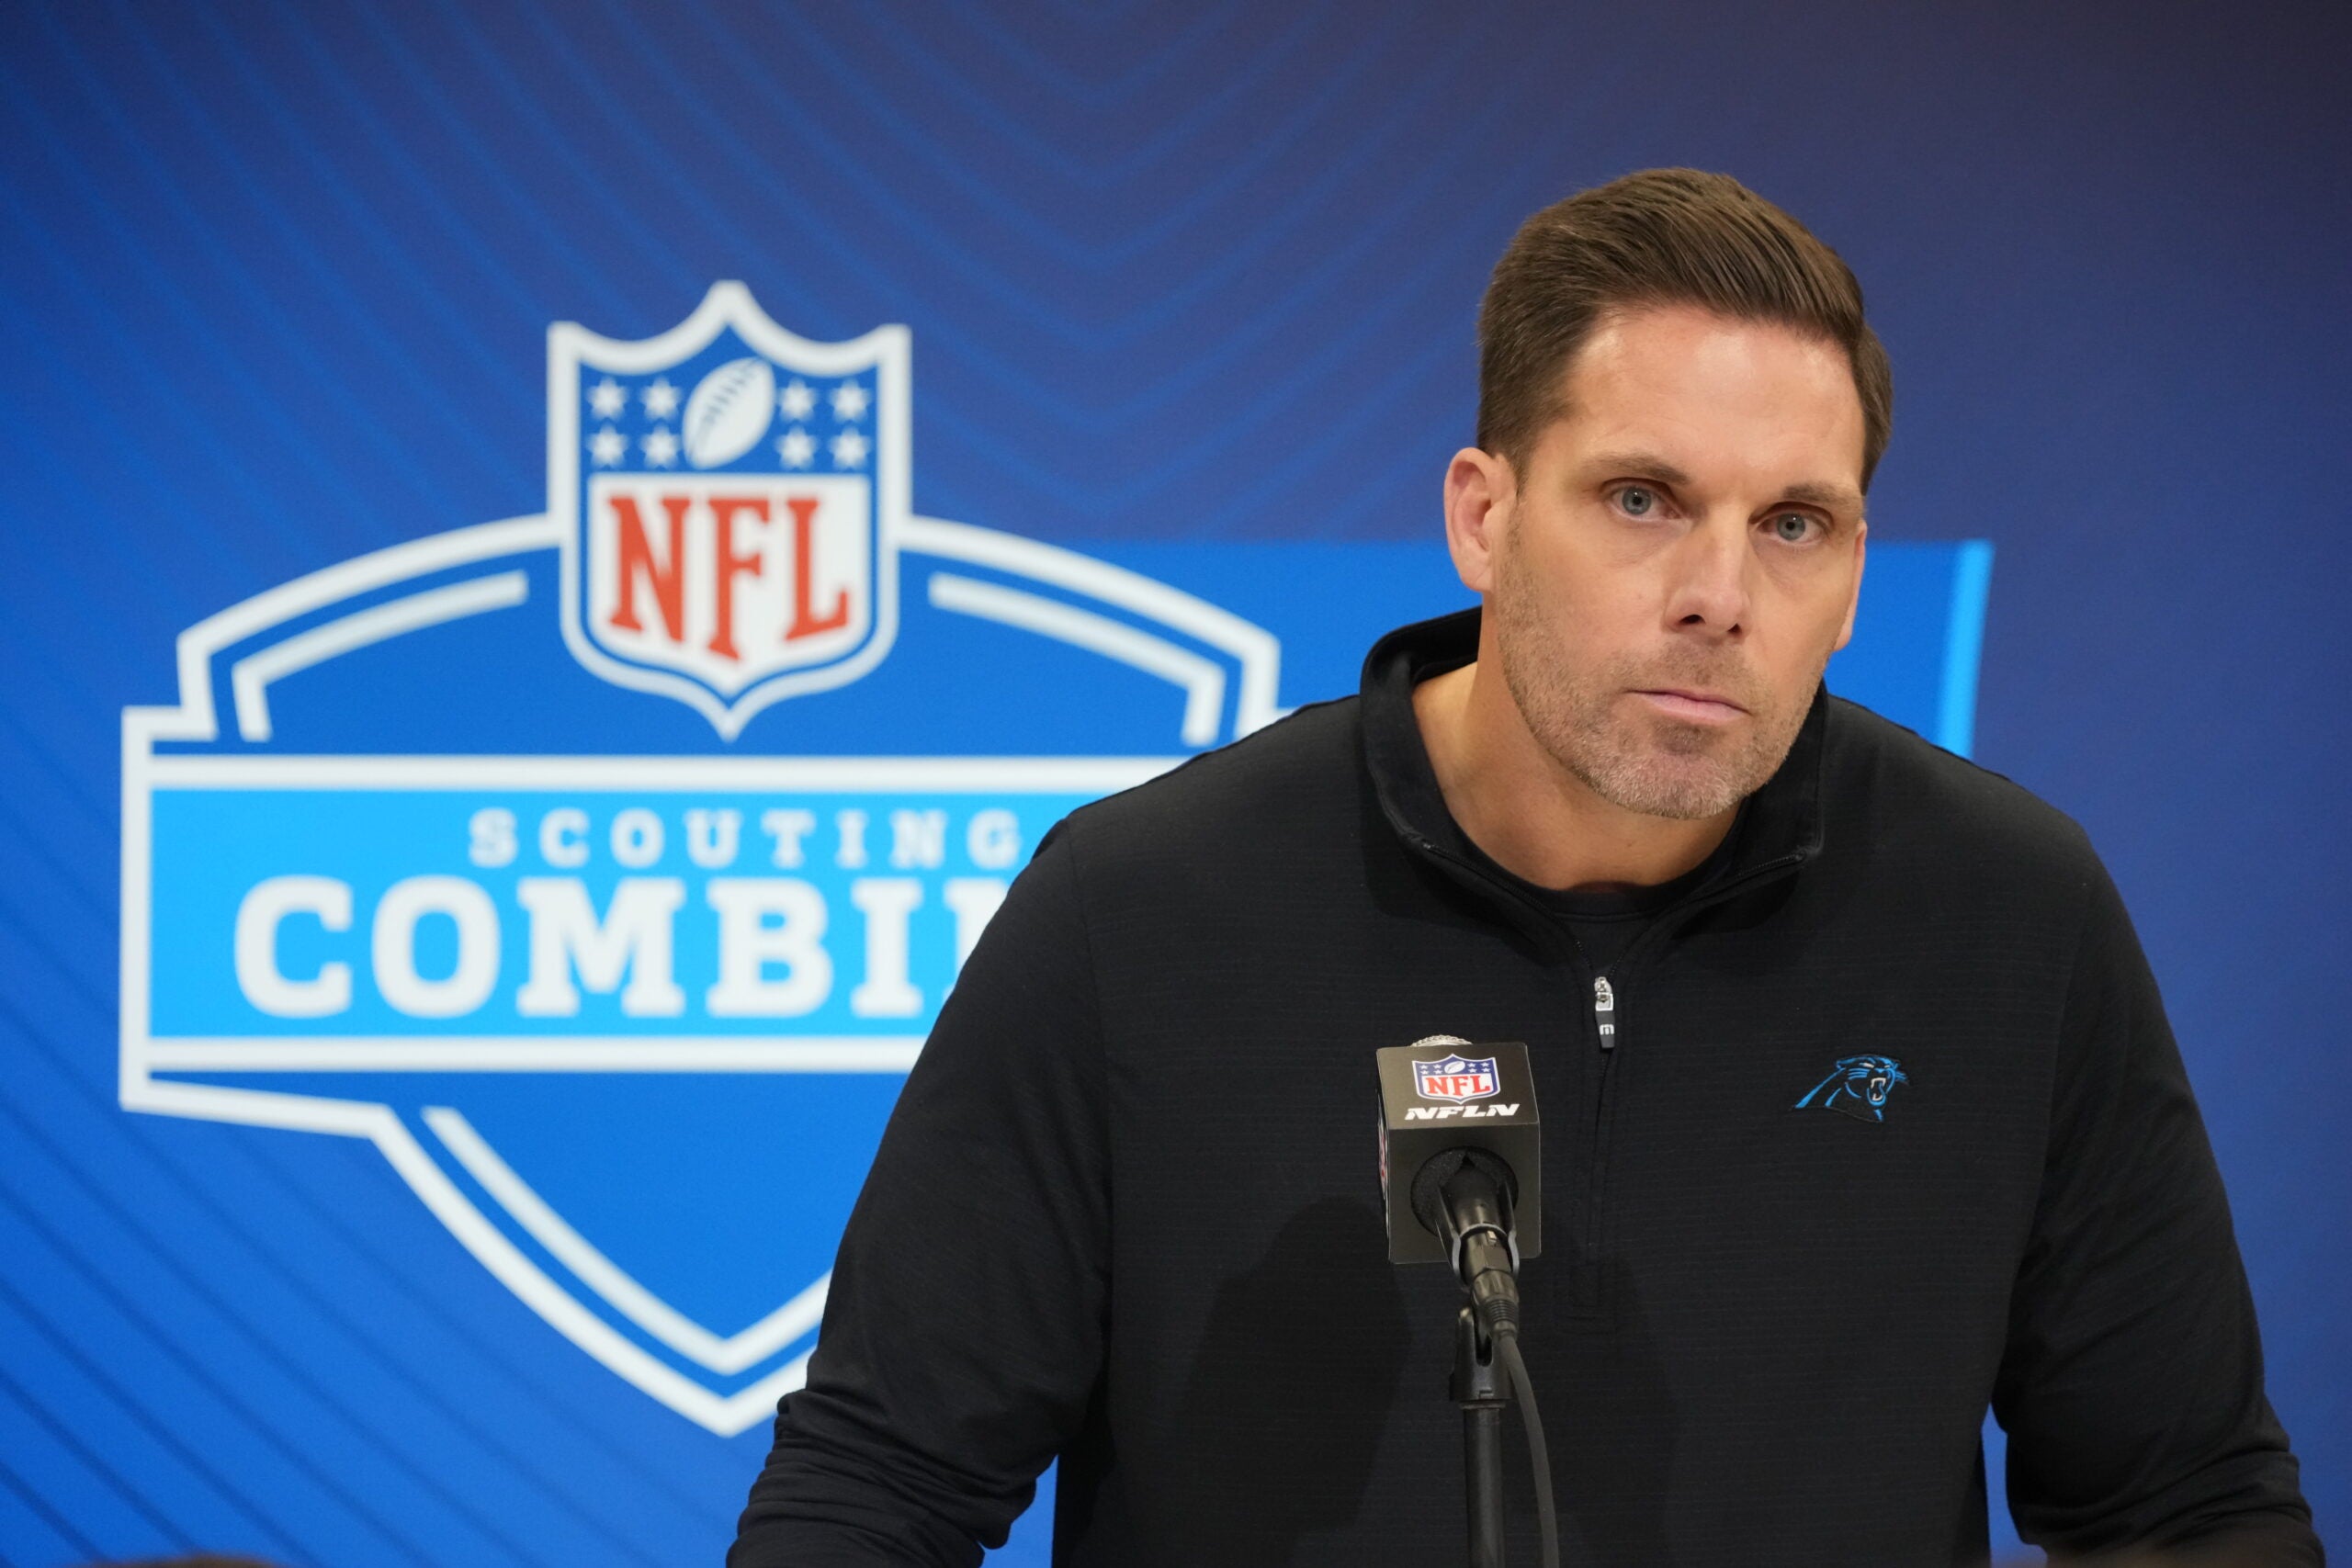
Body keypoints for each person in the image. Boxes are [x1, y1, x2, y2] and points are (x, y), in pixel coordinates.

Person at [729, 169, 2319, 1566]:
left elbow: (2178, 1503)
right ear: (1482, 518)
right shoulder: (1142, 910)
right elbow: (881, 1487)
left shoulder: (2009, 919)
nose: (1721, 593)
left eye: (1796, 525)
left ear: (1850, 581)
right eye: (1644, 499)